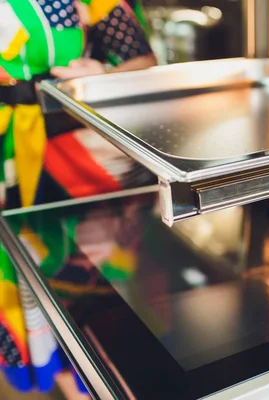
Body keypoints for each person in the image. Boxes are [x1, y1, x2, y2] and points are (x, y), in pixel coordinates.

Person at [0, 0, 156, 396]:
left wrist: (105, 73)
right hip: (7, 161)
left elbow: (143, 60)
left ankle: (91, 383)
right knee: (19, 277)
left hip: (75, 159)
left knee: (88, 284)